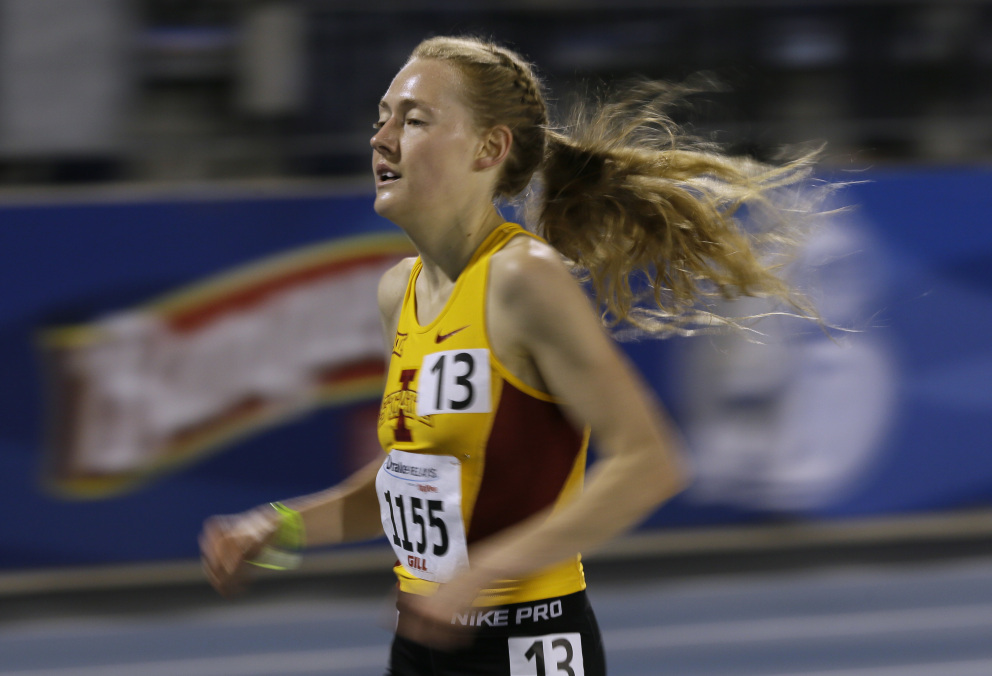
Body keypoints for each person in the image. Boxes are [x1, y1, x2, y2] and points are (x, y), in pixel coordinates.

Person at [200, 35, 825, 676]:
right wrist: (280, 526)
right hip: (425, 644)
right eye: (381, 117)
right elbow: (418, 483)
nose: (381, 139)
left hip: (527, 647)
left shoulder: (522, 278)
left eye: (413, 120)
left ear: (489, 148)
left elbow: (651, 462)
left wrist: (484, 577)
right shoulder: (401, 291)